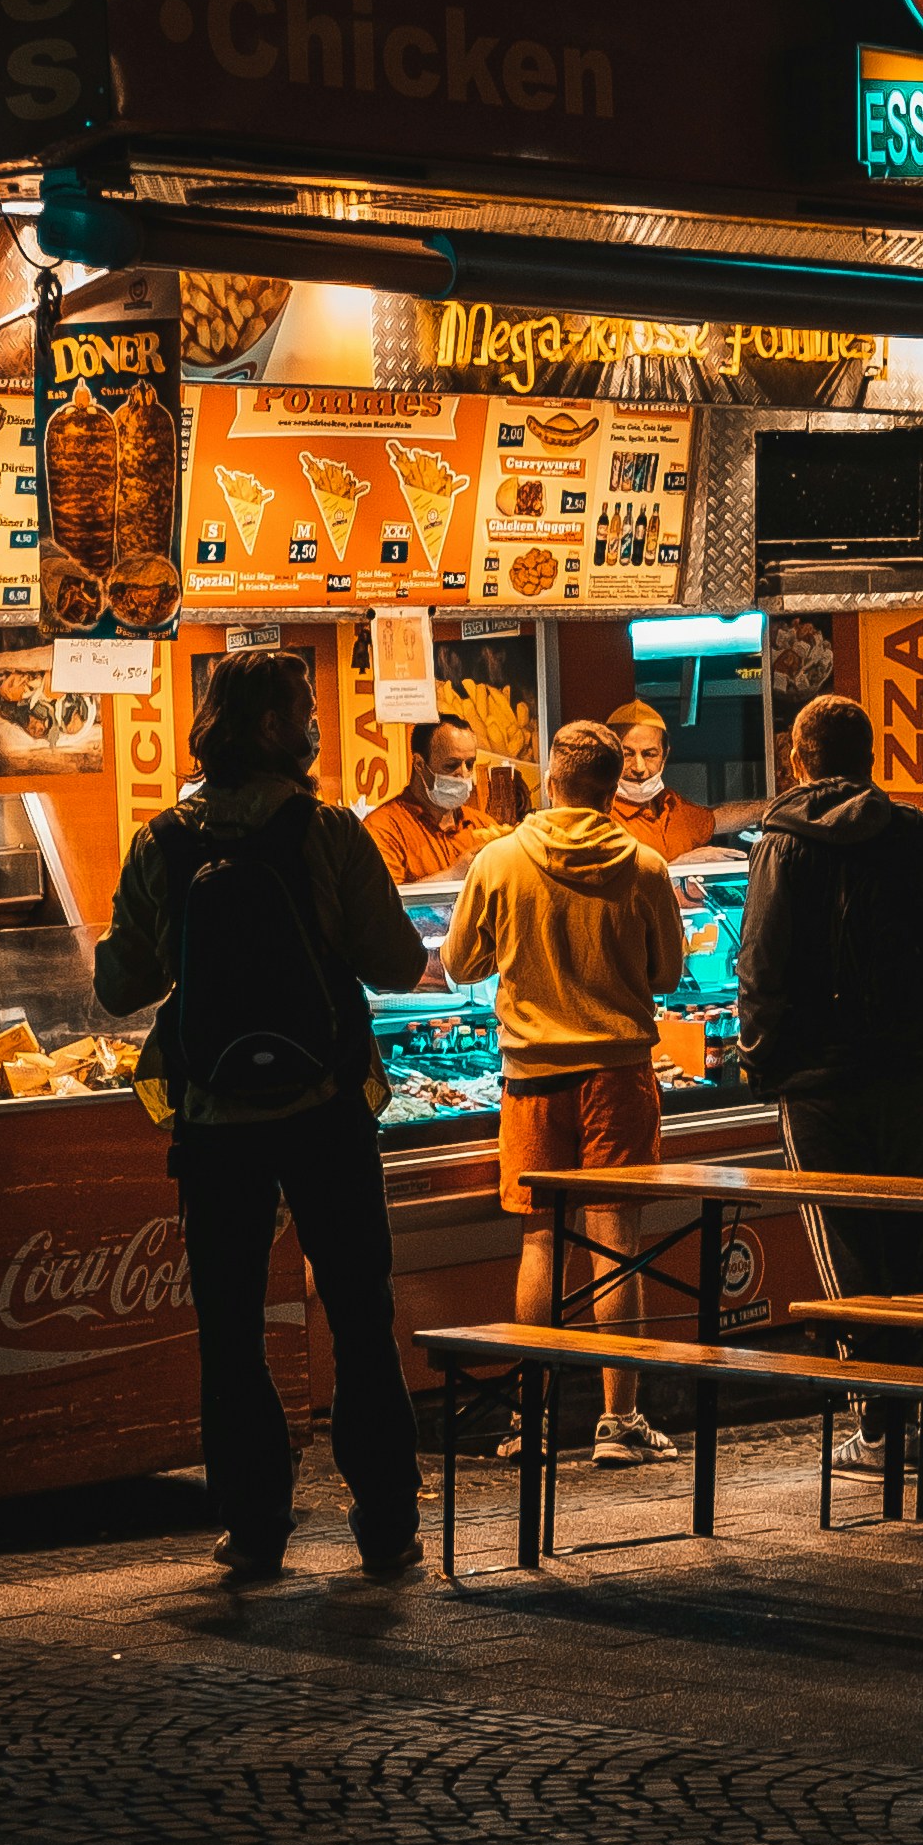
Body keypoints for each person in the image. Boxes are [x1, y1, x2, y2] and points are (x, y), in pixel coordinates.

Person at [95, 645, 436, 1586]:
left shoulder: (161, 839)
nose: (320, 724)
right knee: (361, 1311)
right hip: (327, 1107)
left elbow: (120, 985)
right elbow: (400, 965)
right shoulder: (327, 831)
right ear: (281, 729)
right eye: (306, 709)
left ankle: (252, 1527)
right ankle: (387, 1524)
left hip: (212, 1121)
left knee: (231, 1325)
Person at [443, 718, 691, 1465]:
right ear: (614, 788)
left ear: (551, 779)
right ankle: (618, 1426)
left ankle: (531, 1423)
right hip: (618, 1075)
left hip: (531, 1079)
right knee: (616, 1244)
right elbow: (668, 977)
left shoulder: (499, 859)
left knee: (542, 1240)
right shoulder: (645, 865)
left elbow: (458, 961)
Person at [739, 693, 923, 1440]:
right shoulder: (921, 835)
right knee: (908, 1238)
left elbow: (761, 964)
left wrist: (759, 1059)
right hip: (910, 1072)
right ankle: (904, 1412)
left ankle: (878, 1422)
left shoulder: (780, 844)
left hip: (817, 1081)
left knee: (844, 1244)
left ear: (798, 759)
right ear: (871, 757)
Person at [362, 716, 508, 886]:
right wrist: (453, 876)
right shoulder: (382, 829)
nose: (463, 774)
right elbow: (384, 903)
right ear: (419, 764)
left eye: (469, 764)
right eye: (451, 765)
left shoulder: (483, 825)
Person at [605, 699, 723, 863]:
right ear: (608, 755)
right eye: (627, 754)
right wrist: (678, 867)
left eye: (649, 754)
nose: (639, 768)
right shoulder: (598, 817)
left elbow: (716, 819)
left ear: (664, 755)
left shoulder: (670, 803)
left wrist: (768, 807)